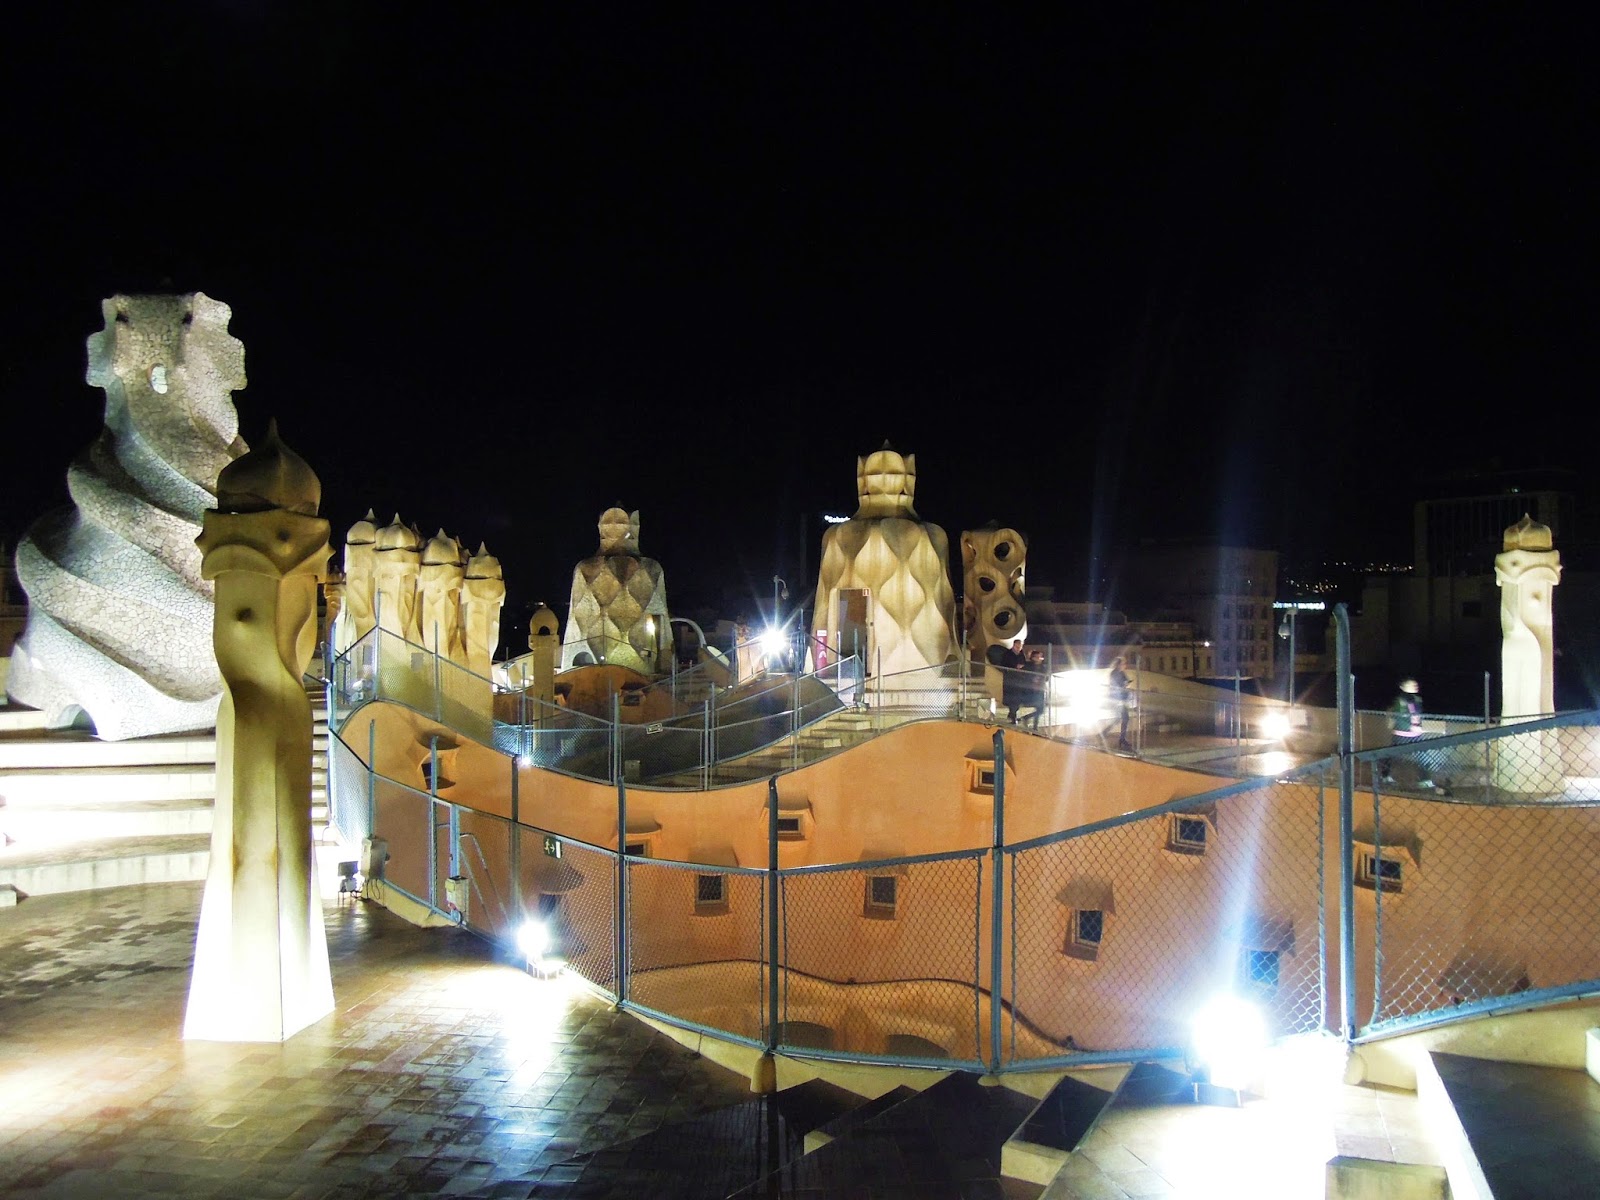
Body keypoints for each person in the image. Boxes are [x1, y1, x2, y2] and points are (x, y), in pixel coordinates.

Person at [1380, 678, 1447, 793]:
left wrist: (1417, 726)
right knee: (1392, 755)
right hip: (1403, 733)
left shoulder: (1417, 699)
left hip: (1415, 734)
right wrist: (1410, 725)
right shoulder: (1400, 700)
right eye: (1412, 684)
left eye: (1416, 684)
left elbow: (1417, 715)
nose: (1415, 686)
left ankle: (1425, 780)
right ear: (1404, 686)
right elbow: (1400, 715)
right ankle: (1385, 775)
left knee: (1422, 756)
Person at [1107, 656, 1132, 750]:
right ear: (1118, 664)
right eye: (1123, 664)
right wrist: (1124, 684)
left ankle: (1122, 738)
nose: (1124, 666)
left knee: (1124, 718)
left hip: (1122, 699)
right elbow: (1116, 685)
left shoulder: (1122, 673)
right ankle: (1105, 733)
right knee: (1120, 718)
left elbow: (1125, 682)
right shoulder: (1114, 673)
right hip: (1117, 699)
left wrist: (1126, 684)